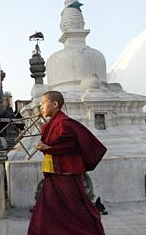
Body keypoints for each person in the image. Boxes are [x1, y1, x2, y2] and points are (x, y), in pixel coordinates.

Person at [28, 91, 107, 235]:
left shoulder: (64, 123)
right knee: (47, 209)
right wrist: (48, 148)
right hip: (54, 173)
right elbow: (57, 146)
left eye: (43, 103)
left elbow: (71, 144)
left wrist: (49, 148)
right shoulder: (54, 123)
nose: (41, 107)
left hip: (66, 174)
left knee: (76, 207)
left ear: (55, 104)